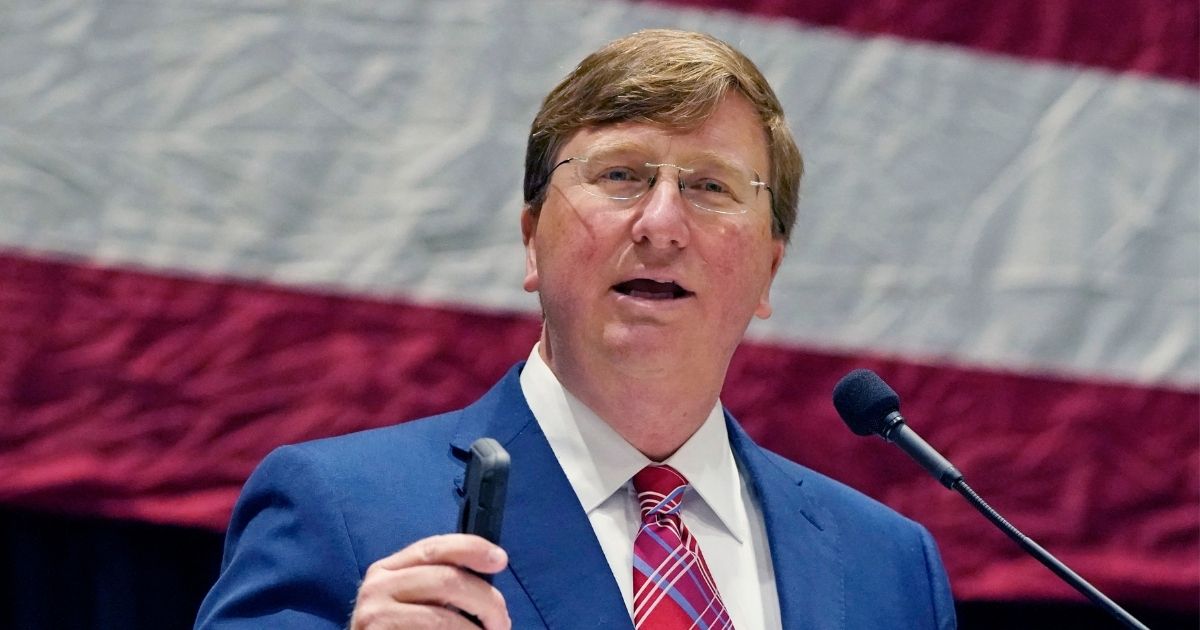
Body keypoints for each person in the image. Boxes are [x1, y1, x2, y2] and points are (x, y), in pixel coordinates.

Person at [195, 29, 956, 629]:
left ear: (769, 271)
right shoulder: (341, 510)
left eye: (710, 186)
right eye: (621, 175)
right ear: (532, 240)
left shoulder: (888, 567)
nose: (662, 224)